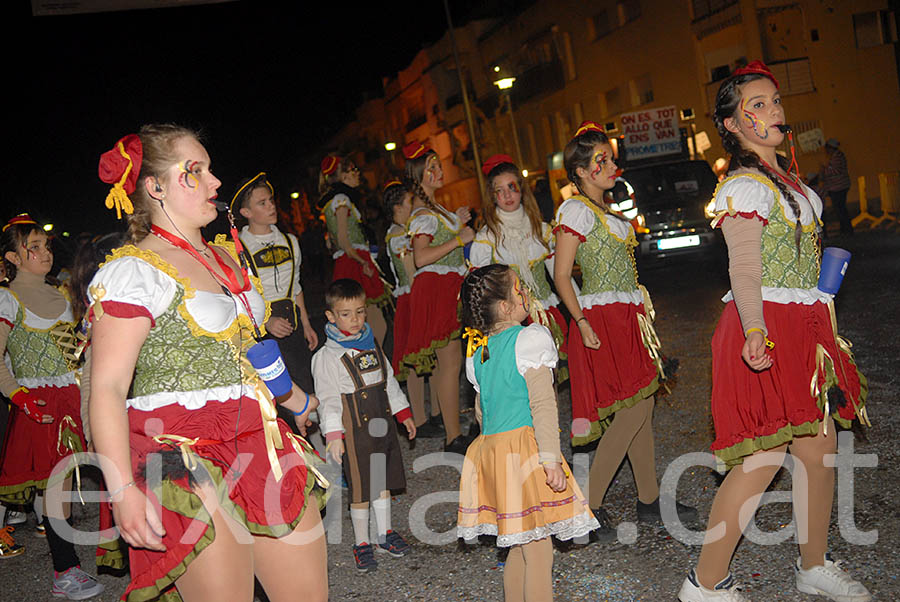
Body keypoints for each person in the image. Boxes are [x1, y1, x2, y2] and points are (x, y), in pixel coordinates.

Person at [90, 125, 328, 602]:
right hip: (181, 452)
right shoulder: (133, 272)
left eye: (209, 168)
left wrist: (293, 396)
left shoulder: (226, 256)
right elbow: (108, 389)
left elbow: (248, 346)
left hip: (260, 439)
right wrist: (122, 491)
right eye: (194, 172)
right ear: (155, 187)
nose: (215, 182)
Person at [677, 62, 870, 602]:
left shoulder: (788, 182)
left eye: (774, 100)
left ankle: (812, 566)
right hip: (762, 325)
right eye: (755, 105)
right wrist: (756, 329)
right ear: (733, 125)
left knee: (819, 447)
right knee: (762, 456)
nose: (773, 110)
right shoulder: (744, 185)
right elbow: (743, 268)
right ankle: (705, 581)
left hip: (803, 324)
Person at [553, 122, 697, 542]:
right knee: (631, 410)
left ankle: (649, 499)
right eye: (602, 160)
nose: (612, 165)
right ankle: (585, 509)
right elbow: (562, 276)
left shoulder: (608, 212)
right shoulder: (576, 211)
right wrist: (580, 322)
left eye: (612, 158)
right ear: (581, 171)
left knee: (644, 406)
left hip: (630, 316)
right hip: (601, 319)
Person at [457, 264, 598, 602]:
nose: (527, 294)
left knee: (518, 546)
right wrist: (550, 458)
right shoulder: (529, 339)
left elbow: (481, 412)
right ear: (506, 306)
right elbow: (543, 406)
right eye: (520, 289)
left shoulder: (478, 354)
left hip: (490, 453)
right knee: (539, 552)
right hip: (523, 454)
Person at [0, 214, 102, 597]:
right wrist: (20, 398)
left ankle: (73, 564)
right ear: (13, 257)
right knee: (53, 488)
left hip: (70, 400)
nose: (45, 252)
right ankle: (65, 571)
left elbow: (74, 354)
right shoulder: (7, 298)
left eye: (46, 244)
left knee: (60, 487)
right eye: (34, 247)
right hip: (38, 404)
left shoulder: (60, 293)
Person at [311, 278, 416, 573]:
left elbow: (388, 381)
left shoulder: (373, 346)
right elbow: (328, 399)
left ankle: (384, 534)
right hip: (354, 429)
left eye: (360, 312)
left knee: (381, 481)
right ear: (331, 316)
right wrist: (334, 435)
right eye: (346, 314)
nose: (355, 320)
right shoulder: (326, 357)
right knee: (360, 488)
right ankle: (361, 543)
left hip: (381, 423)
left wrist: (403, 412)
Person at [401, 141, 474, 453]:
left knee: (452, 363)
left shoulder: (433, 210)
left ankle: (454, 431)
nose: (439, 171)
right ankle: (452, 436)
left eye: (438, 165)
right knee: (450, 363)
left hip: (448, 286)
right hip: (437, 287)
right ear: (419, 176)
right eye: (431, 167)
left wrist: (455, 222)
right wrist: (459, 236)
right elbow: (421, 256)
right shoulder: (422, 213)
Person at [469, 154, 569, 378]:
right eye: (500, 190)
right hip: (509, 323)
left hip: (545, 314)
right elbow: (481, 293)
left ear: (522, 189)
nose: (507, 195)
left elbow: (559, 275)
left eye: (512, 187)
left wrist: (581, 306)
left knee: (548, 377)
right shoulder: (487, 238)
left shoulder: (541, 230)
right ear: (492, 197)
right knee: (518, 383)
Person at [232, 172, 319, 430]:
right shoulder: (238, 249)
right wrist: (266, 322)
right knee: (276, 397)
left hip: (292, 328)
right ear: (246, 212)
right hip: (264, 333)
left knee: (304, 384)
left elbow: (297, 287)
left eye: (271, 200)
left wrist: (306, 324)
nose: (271, 207)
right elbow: (240, 297)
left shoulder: (290, 241)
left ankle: (315, 450)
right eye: (262, 203)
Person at [383, 180, 438, 438]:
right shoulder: (397, 235)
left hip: (415, 296)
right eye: (409, 203)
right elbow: (410, 271)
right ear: (397, 207)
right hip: (410, 297)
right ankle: (420, 417)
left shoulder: (404, 231)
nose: (413, 207)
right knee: (415, 361)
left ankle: (435, 413)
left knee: (430, 356)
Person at [318, 155, 389, 344]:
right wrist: (361, 261)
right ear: (342, 177)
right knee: (371, 322)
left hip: (351, 259)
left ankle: (370, 359)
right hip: (353, 262)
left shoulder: (333, 200)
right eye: (352, 170)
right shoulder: (342, 199)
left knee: (368, 321)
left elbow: (331, 242)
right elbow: (342, 239)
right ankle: (371, 360)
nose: (357, 173)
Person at [818, 138, 853, 236]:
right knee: (840, 209)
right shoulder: (836, 155)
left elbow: (835, 171)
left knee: (841, 210)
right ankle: (845, 230)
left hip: (839, 187)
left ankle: (847, 231)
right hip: (838, 187)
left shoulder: (837, 156)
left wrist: (823, 170)